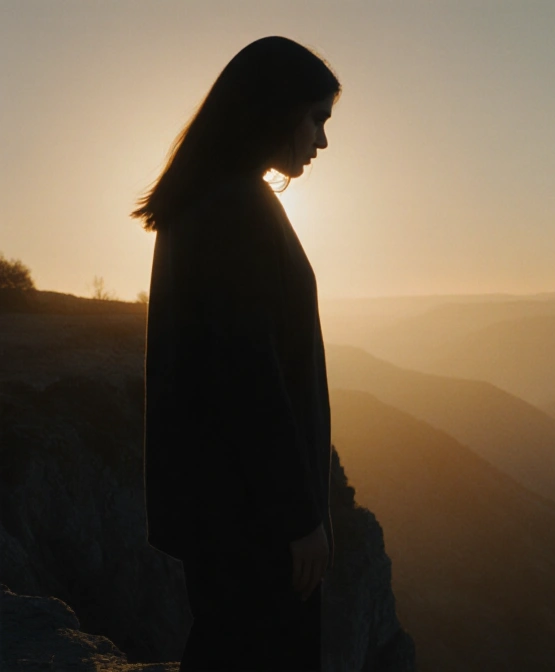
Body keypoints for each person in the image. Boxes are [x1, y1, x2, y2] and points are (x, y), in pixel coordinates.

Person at [133, 36, 340, 671]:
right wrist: (299, 518)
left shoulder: (209, 203)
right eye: (317, 118)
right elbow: (249, 378)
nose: (322, 141)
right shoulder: (235, 212)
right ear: (276, 110)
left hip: (226, 510)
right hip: (253, 521)